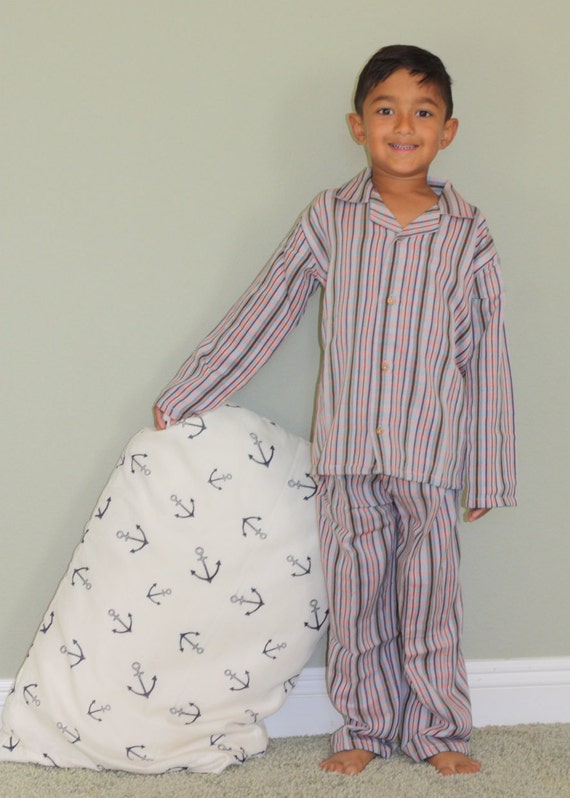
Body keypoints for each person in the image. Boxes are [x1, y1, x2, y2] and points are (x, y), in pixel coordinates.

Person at [153, 45, 516, 777]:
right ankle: (365, 725)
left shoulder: (467, 231)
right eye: (386, 110)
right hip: (348, 455)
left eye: (423, 111)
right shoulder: (331, 217)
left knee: (430, 600)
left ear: (448, 131)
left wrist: (490, 470)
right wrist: (189, 392)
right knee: (356, 600)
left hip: (430, 455)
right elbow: (269, 307)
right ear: (358, 126)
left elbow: (487, 351)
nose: (404, 125)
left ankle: (440, 730)